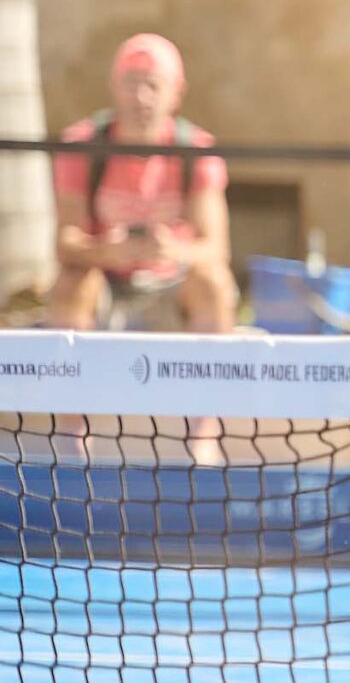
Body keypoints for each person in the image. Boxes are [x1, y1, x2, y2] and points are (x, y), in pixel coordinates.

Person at [46, 34, 234, 463]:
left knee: (215, 285)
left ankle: (203, 431)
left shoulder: (196, 151)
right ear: (114, 87)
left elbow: (215, 247)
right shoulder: (82, 145)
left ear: (176, 92)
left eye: (152, 84)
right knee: (70, 285)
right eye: (131, 82)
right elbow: (66, 241)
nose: (141, 96)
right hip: (108, 281)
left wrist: (173, 251)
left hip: (171, 284)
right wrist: (105, 251)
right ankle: (74, 429)